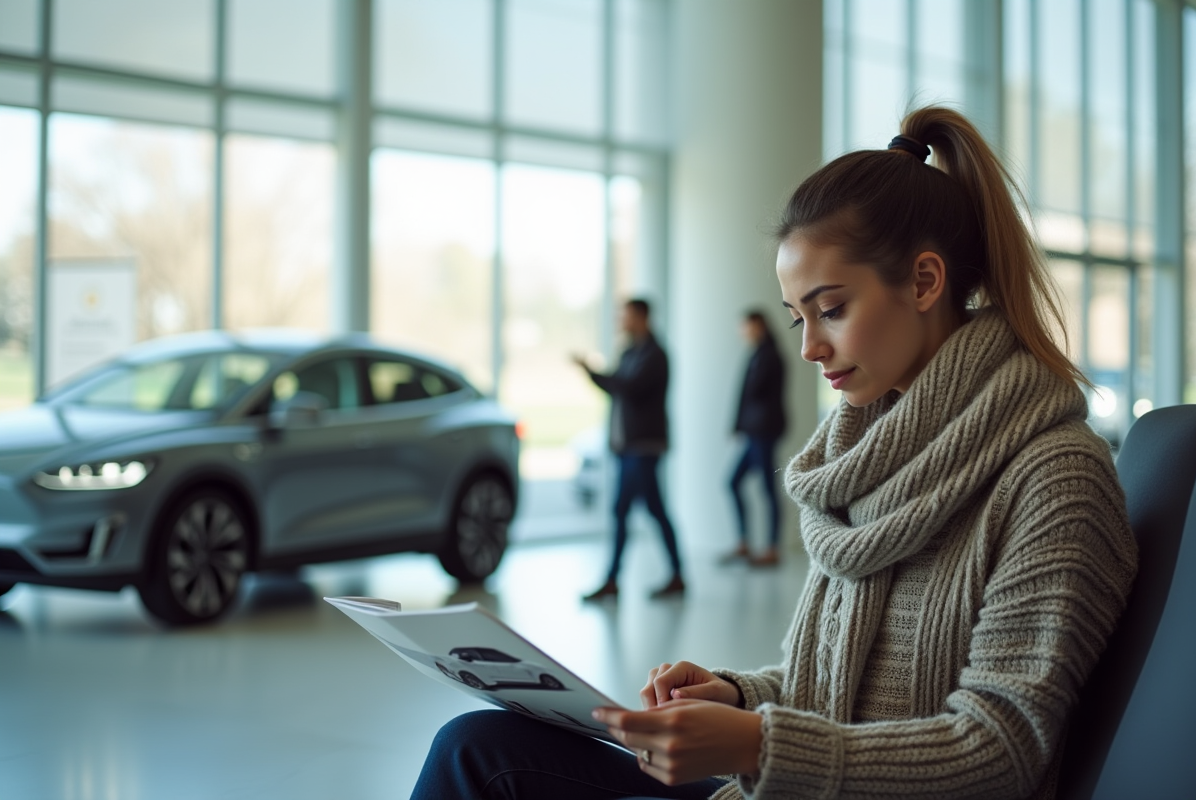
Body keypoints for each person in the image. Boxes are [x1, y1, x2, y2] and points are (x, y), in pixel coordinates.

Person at [409, 106, 1137, 800]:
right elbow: (830, 687)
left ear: (923, 281)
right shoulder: (869, 460)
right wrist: (733, 697)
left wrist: (755, 746)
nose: (810, 347)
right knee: (475, 746)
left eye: (832, 308)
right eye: (798, 317)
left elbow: (1001, 749)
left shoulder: (1054, 479)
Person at [574, 298, 686, 601]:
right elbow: (618, 388)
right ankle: (665, 576)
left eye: (626, 316)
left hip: (644, 447)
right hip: (628, 447)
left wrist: (591, 371)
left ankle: (622, 579)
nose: (621, 321)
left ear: (642, 317)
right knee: (642, 510)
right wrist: (593, 374)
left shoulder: (655, 355)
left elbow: (627, 387)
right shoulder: (630, 352)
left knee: (639, 510)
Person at [723, 310, 787, 567]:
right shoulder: (756, 355)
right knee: (733, 482)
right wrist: (738, 425)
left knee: (768, 490)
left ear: (759, 326)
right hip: (753, 433)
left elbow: (756, 393)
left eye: (747, 327)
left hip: (764, 432)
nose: (744, 332)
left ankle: (772, 548)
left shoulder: (770, 356)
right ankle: (744, 543)